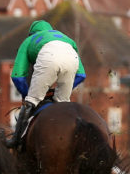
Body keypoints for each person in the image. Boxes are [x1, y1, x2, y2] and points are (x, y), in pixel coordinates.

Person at [5, 20, 86, 148]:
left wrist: (30, 96)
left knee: (31, 101)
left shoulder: (29, 41)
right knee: (62, 104)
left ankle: (16, 140)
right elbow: (81, 75)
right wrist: (56, 92)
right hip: (72, 58)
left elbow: (18, 77)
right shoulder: (67, 39)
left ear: (31, 34)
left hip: (49, 56)